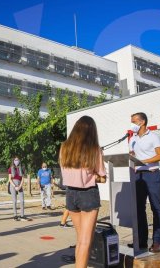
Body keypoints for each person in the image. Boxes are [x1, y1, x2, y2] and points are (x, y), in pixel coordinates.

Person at [59, 115, 106, 268]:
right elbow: (102, 178)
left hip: (71, 194)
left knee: (80, 239)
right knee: (86, 241)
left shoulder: (64, 147)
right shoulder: (94, 149)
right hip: (88, 194)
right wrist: (94, 177)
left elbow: (66, 172)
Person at [128, 112, 160, 253]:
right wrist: (130, 157)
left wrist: (144, 161)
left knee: (156, 208)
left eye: (134, 121)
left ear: (142, 122)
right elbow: (132, 155)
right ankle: (141, 241)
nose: (132, 124)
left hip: (152, 175)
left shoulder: (154, 137)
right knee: (138, 209)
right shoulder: (133, 139)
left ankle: (157, 242)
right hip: (138, 176)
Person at [8, 156, 28, 221]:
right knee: (14, 201)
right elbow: (10, 179)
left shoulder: (21, 168)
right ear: (13, 161)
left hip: (20, 184)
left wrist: (19, 186)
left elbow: (22, 179)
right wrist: (15, 186)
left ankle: (22, 215)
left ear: (19, 161)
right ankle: (15, 215)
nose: (16, 161)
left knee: (22, 200)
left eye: (17, 160)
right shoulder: (10, 168)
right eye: (15, 160)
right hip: (13, 184)